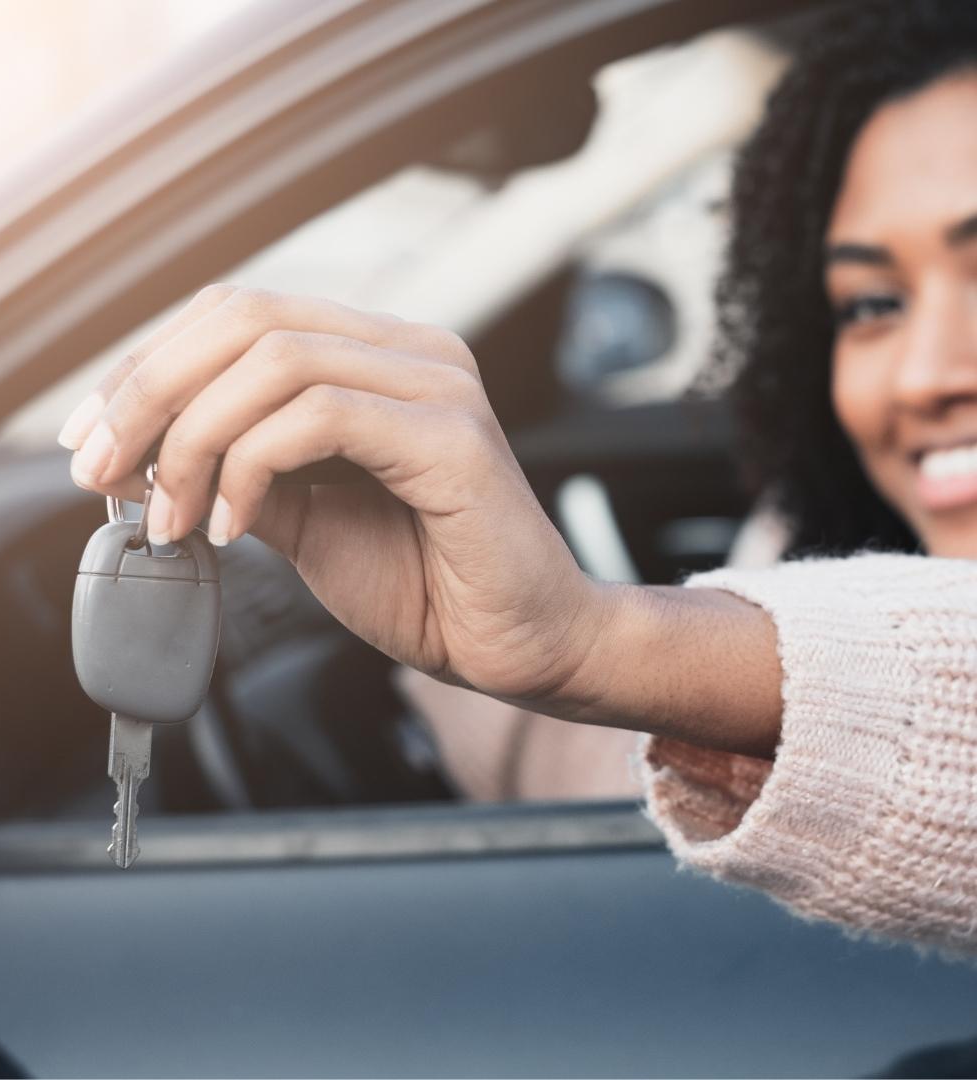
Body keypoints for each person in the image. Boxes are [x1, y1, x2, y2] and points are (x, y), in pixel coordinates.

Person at [57, 0, 976, 956]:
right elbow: (637, 803)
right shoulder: (796, 539)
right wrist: (488, 674)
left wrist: (604, 646)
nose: (925, 374)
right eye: (872, 302)